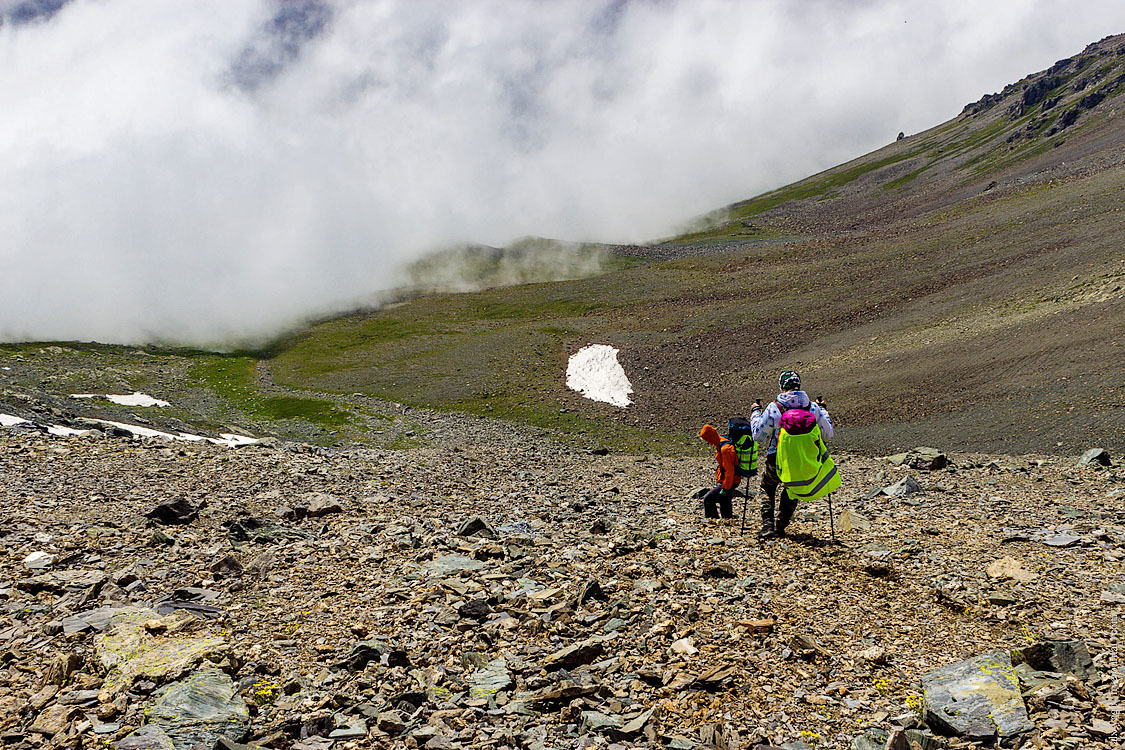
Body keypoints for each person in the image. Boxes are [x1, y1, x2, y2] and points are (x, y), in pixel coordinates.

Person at [750, 370, 834, 539]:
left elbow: (758, 436)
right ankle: (781, 526)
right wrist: (824, 411)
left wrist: (755, 413)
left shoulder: (775, 408)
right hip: (802, 459)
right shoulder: (812, 408)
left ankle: (768, 526)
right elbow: (828, 434)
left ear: (782, 386)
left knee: (767, 487)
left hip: (777, 457)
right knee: (792, 489)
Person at [698, 424, 741, 520]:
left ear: (710, 437)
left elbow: (729, 471)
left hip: (730, 480)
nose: (707, 442)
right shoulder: (720, 442)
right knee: (724, 500)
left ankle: (713, 520)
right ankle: (727, 520)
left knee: (708, 498)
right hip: (731, 479)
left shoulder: (725, 449)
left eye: (706, 439)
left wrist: (725, 488)